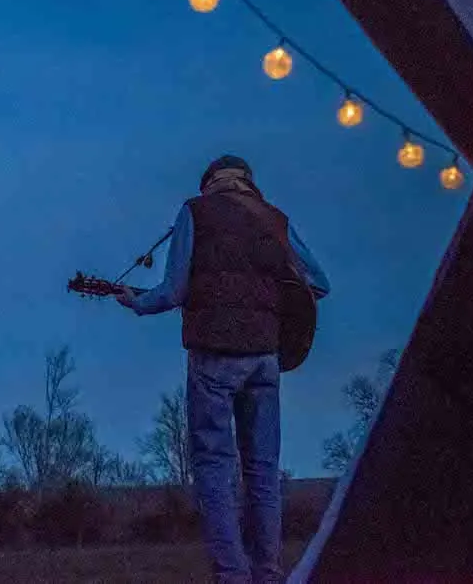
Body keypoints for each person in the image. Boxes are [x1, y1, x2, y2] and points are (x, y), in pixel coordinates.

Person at [114, 155, 330, 584]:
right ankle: (268, 575)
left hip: (214, 355)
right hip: (265, 358)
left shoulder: (195, 212)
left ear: (210, 182)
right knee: (263, 471)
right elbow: (318, 282)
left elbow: (174, 290)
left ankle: (233, 576)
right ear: (248, 183)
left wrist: (136, 301)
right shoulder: (275, 219)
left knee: (214, 467)